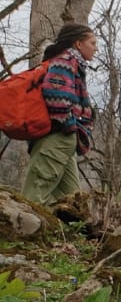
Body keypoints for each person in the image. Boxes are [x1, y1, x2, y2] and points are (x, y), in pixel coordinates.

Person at [21, 23, 97, 205]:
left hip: (65, 138)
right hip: (57, 136)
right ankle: (18, 231)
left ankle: (68, 233)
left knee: (73, 203)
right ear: (78, 44)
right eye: (93, 43)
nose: (96, 48)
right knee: (34, 196)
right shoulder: (64, 61)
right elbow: (56, 98)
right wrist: (70, 127)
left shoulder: (72, 63)